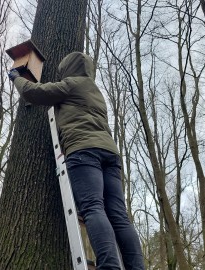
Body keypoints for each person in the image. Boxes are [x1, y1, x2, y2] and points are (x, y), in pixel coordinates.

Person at [8, 52, 145, 270]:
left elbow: (35, 93)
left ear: (69, 68)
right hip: (110, 154)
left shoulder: (72, 84)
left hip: (84, 150)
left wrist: (16, 77)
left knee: (92, 207)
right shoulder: (95, 91)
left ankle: (110, 266)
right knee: (119, 216)